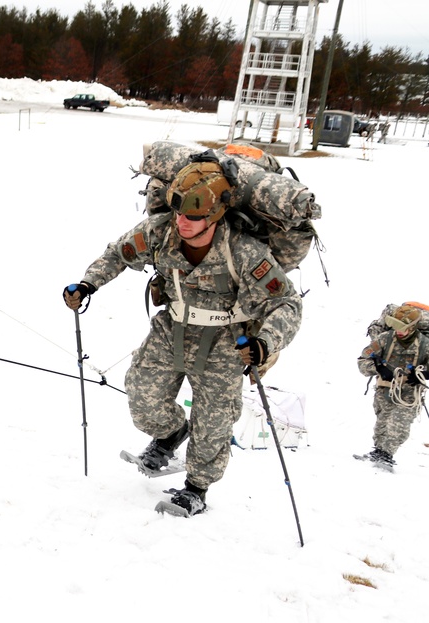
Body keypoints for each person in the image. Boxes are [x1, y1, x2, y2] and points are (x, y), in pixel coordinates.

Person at [62, 158, 302, 516]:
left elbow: (287, 303)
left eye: (192, 217)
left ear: (216, 216)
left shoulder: (244, 252)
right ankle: (171, 433)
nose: (182, 222)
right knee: (142, 399)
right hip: (171, 328)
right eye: (179, 214)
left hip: (226, 341)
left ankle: (196, 488)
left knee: (214, 423)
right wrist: (88, 283)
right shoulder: (160, 232)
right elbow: (118, 253)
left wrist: (264, 342)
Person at [357, 304, 429, 467]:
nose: (399, 332)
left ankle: (386, 455)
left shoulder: (424, 344)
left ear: (412, 328)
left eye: (403, 328)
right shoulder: (384, 339)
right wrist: (378, 369)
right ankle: (379, 453)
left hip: (410, 394)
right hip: (385, 390)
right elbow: (363, 360)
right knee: (382, 424)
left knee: (399, 423)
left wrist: (423, 375)